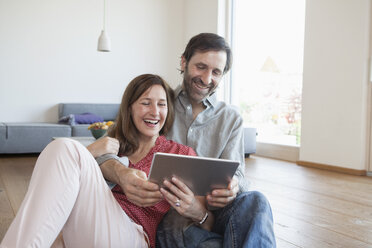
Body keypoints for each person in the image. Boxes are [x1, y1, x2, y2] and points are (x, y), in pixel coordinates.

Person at [95, 33, 276, 247]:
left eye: (216, 72)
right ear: (184, 62)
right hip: (171, 214)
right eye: (201, 67)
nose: (207, 79)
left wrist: (233, 186)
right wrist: (121, 173)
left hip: (215, 211)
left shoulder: (231, 118)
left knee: (256, 201)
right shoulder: (159, 103)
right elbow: (108, 149)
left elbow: (239, 175)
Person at [0, 74, 214, 248]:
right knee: (60, 147)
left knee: (65, 147)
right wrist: (93, 151)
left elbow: (207, 220)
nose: (155, 112)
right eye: (145, 103)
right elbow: (67, 176)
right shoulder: (113, 144)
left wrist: (194, 209)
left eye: (161, 104)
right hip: (86, 226)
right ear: (129, 108)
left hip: (133, 234)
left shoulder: (179, 153)